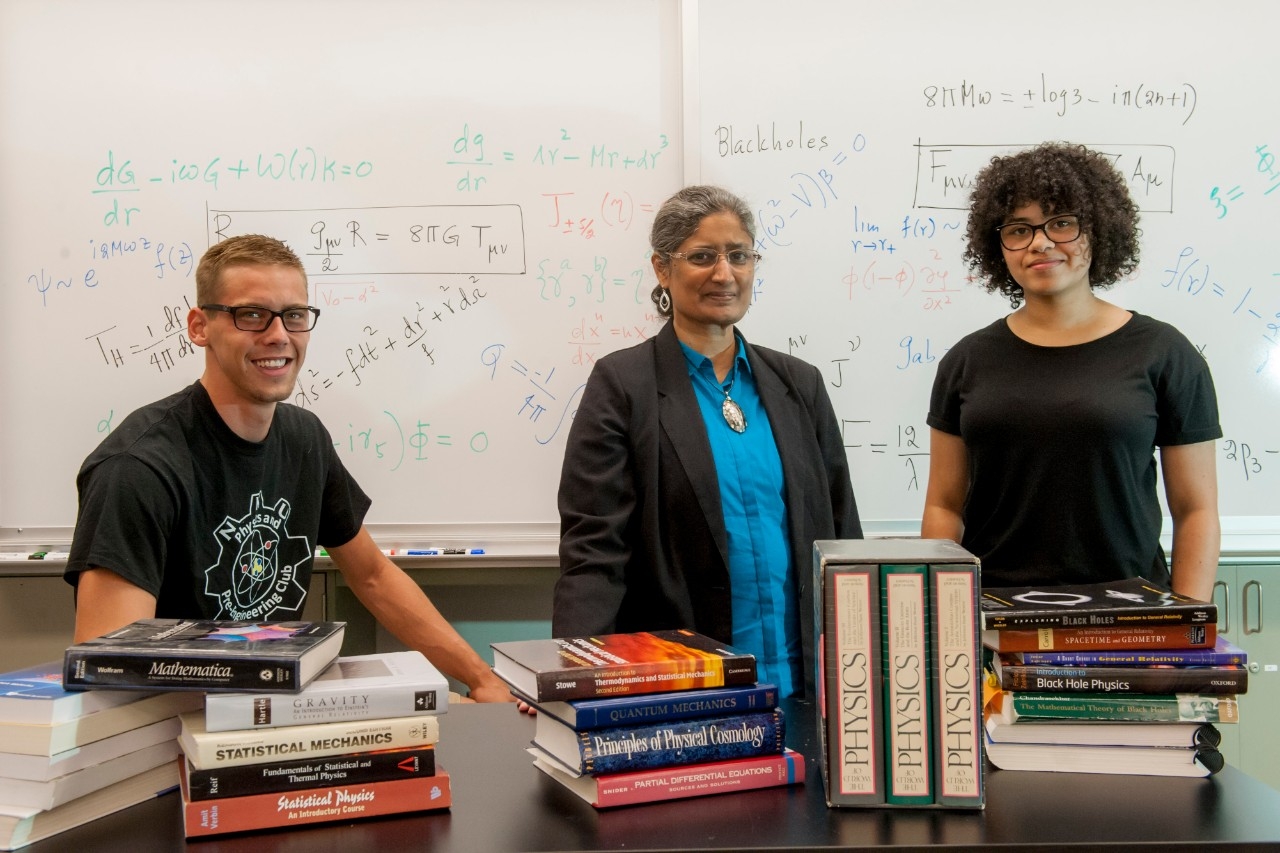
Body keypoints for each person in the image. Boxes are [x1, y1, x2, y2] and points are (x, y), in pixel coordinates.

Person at [65, 234, 516, 703]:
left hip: (275, 704)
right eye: (251, 315)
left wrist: (482, 680)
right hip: (184, 726)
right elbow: (112, 669)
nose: (279, 335)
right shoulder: (137, 467)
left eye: (294, 315)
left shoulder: (304, 439)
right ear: (200, 327)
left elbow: (373, 577)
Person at [553, 185, 863, 698]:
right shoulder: (623, 386)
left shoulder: (799, 384)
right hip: (684, 686)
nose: (725, 274)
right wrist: (574, 671)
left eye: (739, 255)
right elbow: (594, 551)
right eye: (702, 257)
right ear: (662, 268)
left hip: (808, 686)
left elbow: (842, 533)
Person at [921, 142, 1220, 601]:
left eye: (1061, 223)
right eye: (1019, 229)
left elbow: (1195, 509)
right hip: (994, 615)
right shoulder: (966, 361)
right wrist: (944, 616)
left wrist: (1190, 621)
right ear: (998, 246)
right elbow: (944, 507)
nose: (1040, 243)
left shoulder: (1165, 353)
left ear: (1098, 230)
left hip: (1131, 613)